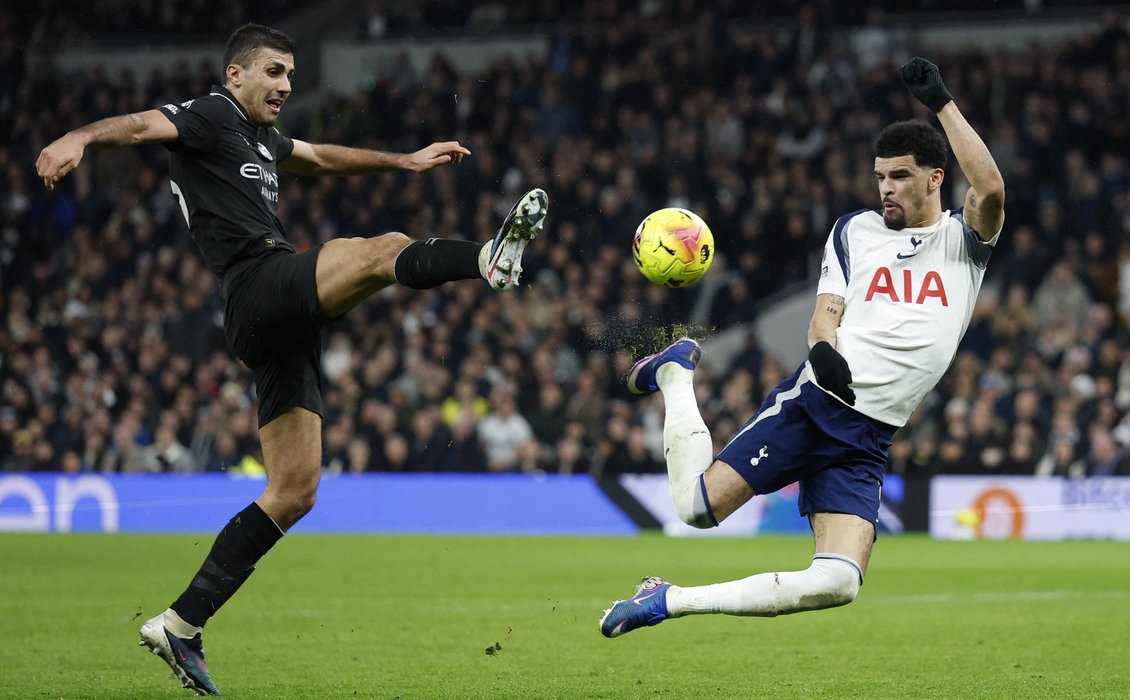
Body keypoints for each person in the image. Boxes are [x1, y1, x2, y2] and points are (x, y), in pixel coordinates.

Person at [35, 24, 549, 695]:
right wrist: (78, 137)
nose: (283, 86)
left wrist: (402, 162)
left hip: (275, 325)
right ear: (234, 76)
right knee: (375, 249)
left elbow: (318, 157)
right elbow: (135, 127)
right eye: (273, 72)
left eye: (290, 76)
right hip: (254, 286)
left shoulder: (258, 139)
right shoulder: (211, 115)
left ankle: (182, 624)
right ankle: (485, 257)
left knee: (295, 490)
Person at [599, 57, 1004, 637]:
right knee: (695, 509)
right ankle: (675, 375)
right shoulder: (854, 231)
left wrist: (942, 102)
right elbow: (824, 318)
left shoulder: (964, 242)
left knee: (838, 583)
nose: (886, 188)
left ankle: (668, 599)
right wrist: (822, 352)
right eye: (879, 177)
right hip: (817, 406)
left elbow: (990, 186)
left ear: (936, 177)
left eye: (900, 176)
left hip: (870, 435)